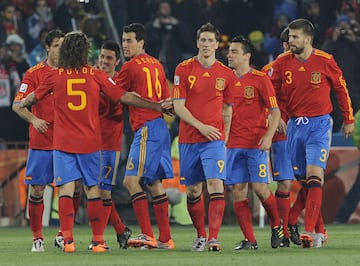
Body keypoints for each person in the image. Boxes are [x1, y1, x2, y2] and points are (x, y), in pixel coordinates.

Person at [18, 31, 170, 253]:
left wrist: (26, 104)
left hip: (62, 143)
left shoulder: (54, 76)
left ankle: (68, 241)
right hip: (90, 143)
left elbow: (30, 99)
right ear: (85, 52)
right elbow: (123, 96)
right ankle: (98, 241)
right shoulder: (96, 75)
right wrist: (157, 106)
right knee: (93, 190)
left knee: (67, 189)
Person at [269, 18, 354, 248]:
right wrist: (277, 116)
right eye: (289, 37)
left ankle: (307, 232)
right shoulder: (282, 63)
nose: (290, 41)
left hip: (319, 125)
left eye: (294, 37)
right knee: (305, 183)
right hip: (295, 127)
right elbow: (271, 91)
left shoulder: (325, 61)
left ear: (307, 39)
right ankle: (318, 230)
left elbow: (341, 88)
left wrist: (348, 119)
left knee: (315, 178)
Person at [172, 22, 234, 252]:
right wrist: (201, 126)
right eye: (203, 40)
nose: (206, 44)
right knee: (193, 190)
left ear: (217, 44)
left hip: (214, 140)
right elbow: (178, 106)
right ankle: (200, 235)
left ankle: (213, 238)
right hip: (189, 139)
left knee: (216, 183)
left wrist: (224, 135)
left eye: (210, 40)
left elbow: (228, 108)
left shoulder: (226, 74)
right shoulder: (183, 69)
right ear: (197, 42)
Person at [117, 23, 175, 250]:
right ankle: (165, 239)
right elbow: (166, 101)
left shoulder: (130, 67)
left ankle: (147, 235)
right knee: (153, 183)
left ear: (141, 43)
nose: (125, 45)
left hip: (146, 128)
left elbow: (115, 93)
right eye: (124, 40)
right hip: (160, 127)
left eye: (129, 40)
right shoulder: (157, 65)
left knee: (130, 181)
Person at [226, 35, 283, 250]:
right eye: (229, 51)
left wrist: (268, 136)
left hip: (255, 143)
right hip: (232, 144)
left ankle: (276, 225)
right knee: (238, 191)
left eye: (234, 52)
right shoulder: (225, 79)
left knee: (260, 188)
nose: (229, 55)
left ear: (246, 56)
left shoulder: (260, 79)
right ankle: (250, 240)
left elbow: (275, 112)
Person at [12, 29, 66, 252]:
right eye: (56, 45)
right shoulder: (34, 74)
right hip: (42, 141)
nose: (60, 50)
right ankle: (37, 238)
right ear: (47, 47)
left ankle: (64, 234)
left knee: (69, 188)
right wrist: (34, 119)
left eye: (63, 45)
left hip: (66, 141)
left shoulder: (71, 73)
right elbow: (18, 105)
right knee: (36, 190)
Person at [95, 40, 132, 249]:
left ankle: (99, 238)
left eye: (109, 58)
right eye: (102, 56)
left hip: (110, 142)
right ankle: (120, 230)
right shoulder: (91, 77)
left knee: (104, 191)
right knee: (89, 190)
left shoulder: (121, 82)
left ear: (117, 61)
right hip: (89, 142)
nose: (104, 61)